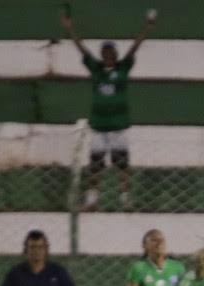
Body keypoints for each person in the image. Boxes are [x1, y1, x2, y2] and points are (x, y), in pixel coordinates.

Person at [61, 8, 157, 211]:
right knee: (95, 165)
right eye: (105, 53)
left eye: (111, 53)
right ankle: (92, 200)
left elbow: (134, 48)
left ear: (116, 54)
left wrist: (147, 28)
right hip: (99, 126)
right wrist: (70, 29)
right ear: (102, 55)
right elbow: (82, 50)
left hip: (118, 127)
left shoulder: (123, 68)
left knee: (122, 165)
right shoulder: (96, 69)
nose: (108, 56)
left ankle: (125, 200)